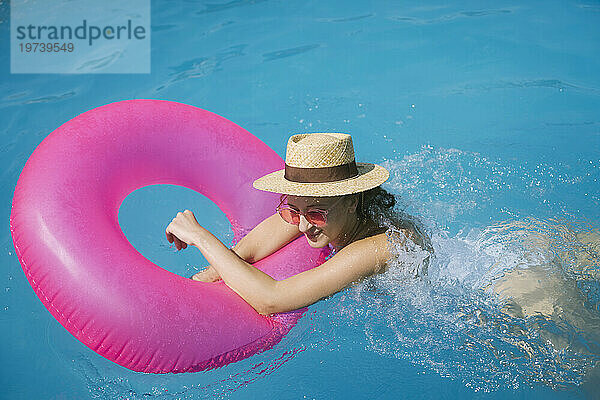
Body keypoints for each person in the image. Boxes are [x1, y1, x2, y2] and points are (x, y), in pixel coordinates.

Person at [165, 132, 432, 315]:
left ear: (351, 201)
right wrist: (195, 285)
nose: (302, 226)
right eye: (293, 211)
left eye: (315, 215)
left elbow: (272, 300)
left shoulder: (378, 247)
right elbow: (249, 249)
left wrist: (201, 237)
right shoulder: (326, 209)